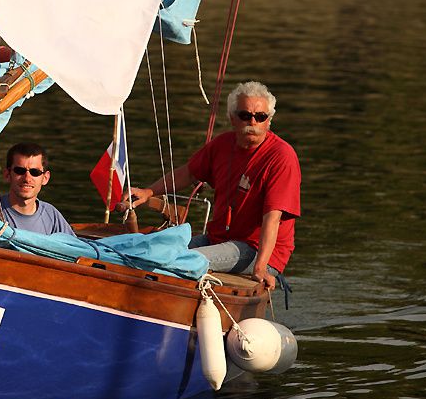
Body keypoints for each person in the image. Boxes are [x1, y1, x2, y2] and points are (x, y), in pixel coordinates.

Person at [124, 81, 300, 290]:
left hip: (256, 250)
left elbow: (273, 217)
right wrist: (148, 191)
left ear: (268, 121)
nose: (253, 121)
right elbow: (189, 172)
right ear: (232, 118)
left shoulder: (282, 156)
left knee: (181, 258)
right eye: (245, 115)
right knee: (152, 249)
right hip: (218, 238)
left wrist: (261, 267)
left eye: (260, 117)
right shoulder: (222, 144)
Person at [0, 142, 76, 236]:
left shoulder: (52, 217)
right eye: (20, 171)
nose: (27, 179)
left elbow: (75, 249)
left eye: (35, 172)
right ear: (7, 175)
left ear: (45, 178)